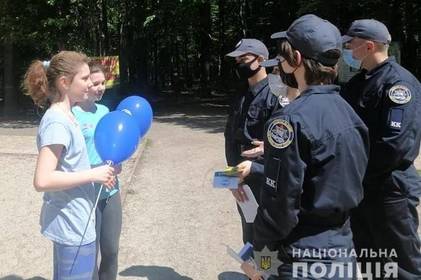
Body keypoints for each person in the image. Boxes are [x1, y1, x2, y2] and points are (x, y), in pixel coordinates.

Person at [252, 14, 369, 279]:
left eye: (282, 59)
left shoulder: (288, 121)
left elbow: (279, 206)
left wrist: (261, 262)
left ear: (295, 58)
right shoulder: (351, 115)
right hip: (342, 253)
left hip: (299, 259)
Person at [22, 51, 116, 279]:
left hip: (78, 219)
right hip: (71, 224)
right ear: (64, 83)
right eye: (84, 79)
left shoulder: (69, 115)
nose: (90, 83)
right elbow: (43, 180)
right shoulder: (57, 122)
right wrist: (93, 174)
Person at [341, 19, 421, 279]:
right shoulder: (358, 82)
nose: (348, 50)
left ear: (368, 45)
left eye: (350, 44)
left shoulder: (399, 84)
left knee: (401, 264)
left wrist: (355, 169)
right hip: (363, 188)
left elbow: (395, 146)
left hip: (389, 190)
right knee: (372, 260)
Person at [224, 38, 278, 245]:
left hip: (265, 180)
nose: (240, 65)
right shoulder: (241, 94)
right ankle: (252, 274)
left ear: (262, 60)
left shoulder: (276, 96)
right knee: (248, 231)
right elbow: (230, 139)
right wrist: (230, 178)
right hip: (241, 179)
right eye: (237, 61)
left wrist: (256, 169)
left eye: (244, 59)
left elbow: (283, 147)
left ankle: (264, 276)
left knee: (267, 238)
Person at [72, 62, 122, 280]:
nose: (101, 87)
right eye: (95, 83)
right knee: (89, 254)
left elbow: (113, 146)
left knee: (111, 249)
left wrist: (117, 163)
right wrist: (96, 171)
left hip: (111, 190)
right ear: (84, 84)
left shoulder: (104, 111)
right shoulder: (71, 114)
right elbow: (70, 161)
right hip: (87, 193)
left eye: (104, 83)